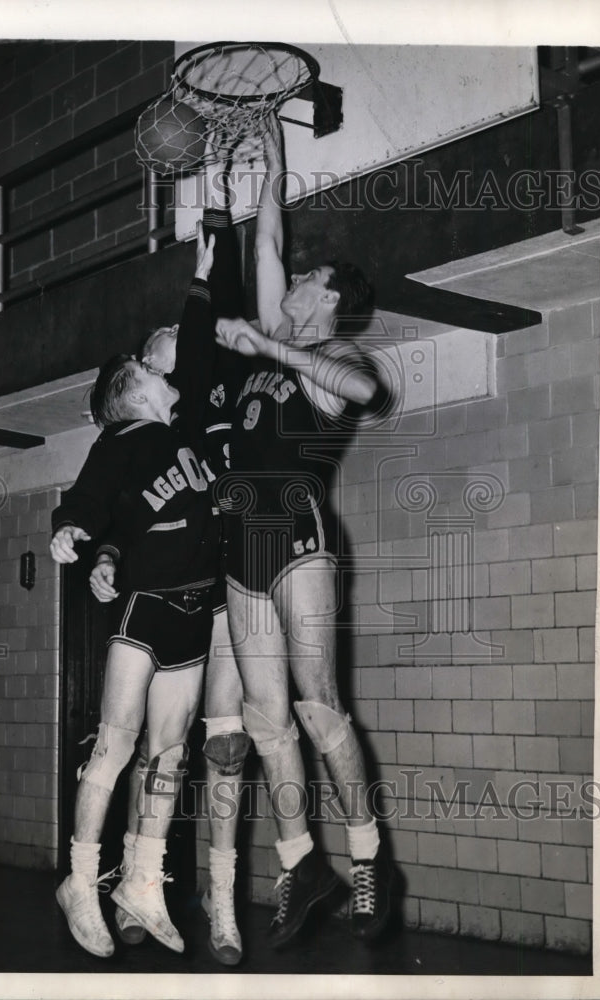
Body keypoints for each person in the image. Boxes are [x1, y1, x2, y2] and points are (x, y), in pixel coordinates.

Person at [213, 112, 394, 948]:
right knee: (265, 720)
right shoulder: (270, 342)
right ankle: (301, 863)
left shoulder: (336, 364)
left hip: (298, 537)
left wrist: (265, 344)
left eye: (304, 279)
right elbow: (265, 242)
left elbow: (362, 397)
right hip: (240, 543)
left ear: (328, 300)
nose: (287, 283)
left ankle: (367, 862)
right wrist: (271, 156)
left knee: (319, 710)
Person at [88, 148, 250, 966]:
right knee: (162, 748)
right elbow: (123, 499)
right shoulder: (156, 431)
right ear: (149, 377)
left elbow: (216, 305)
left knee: (225, 745)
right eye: (161, 349)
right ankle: (137, 882)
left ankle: (222, 902)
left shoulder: (223, 387)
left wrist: (216, 219)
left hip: (240, 582)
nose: (171, 350)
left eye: (173, 343)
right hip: (183, 587)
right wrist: (107, 548)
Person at [49, 225, 223, 959]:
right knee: (116, 746)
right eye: (158, 367)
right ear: (133, 388)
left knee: (169, 756)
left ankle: (141, 881)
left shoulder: (187, 437)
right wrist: (71, 531)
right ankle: (80, 879)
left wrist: (204, 285)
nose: (171, 369)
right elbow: (90, 500)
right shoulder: (118, 443)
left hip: (197, 609)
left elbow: (197, 346)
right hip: (147, 610)